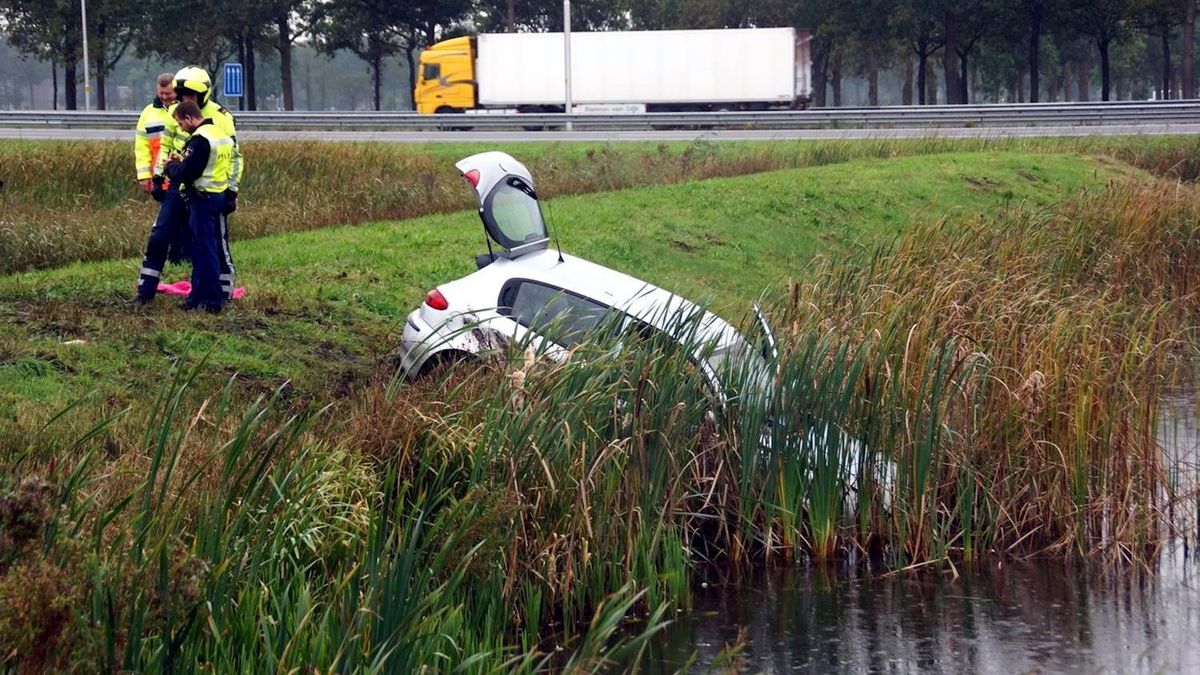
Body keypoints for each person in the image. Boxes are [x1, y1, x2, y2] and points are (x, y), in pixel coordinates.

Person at [164, 100, 235, 313]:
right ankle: (196, 298)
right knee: (206, 248)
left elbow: (188, 172)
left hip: (202, 200)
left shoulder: (200, 140)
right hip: (217, 197)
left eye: (181, 123)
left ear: (189, 117)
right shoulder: (219, 135)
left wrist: (171, 166)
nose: (181, 128)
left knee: (205, 252)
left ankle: (209, 301)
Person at [133, 73, 176, 194]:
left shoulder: (184, 110)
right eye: (161, 93)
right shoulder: (148, 113)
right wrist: (144, 176)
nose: (164, 97)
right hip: (159, 175)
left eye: (168, 93)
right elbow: (141, 148)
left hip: (180, 175)